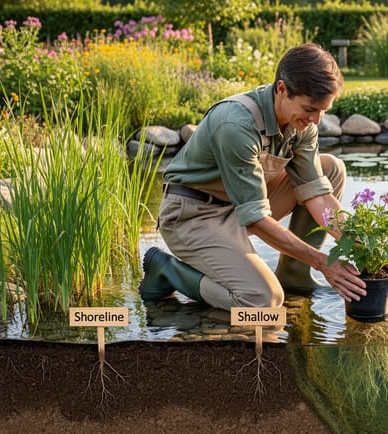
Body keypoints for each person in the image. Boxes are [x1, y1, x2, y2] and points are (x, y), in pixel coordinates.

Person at [139, 43, 372, 311]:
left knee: (330, 170)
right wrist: (322, 261)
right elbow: (256, 218)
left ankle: (294, 277)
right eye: (310, 109)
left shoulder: (302, 123)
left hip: (239, 207)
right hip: (194, 215)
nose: (317, 120)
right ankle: (168, 271)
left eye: (323, 110)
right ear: (282, 89)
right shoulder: (236, 125)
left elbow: (317, 194)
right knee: (263, 301)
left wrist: (366, 249)